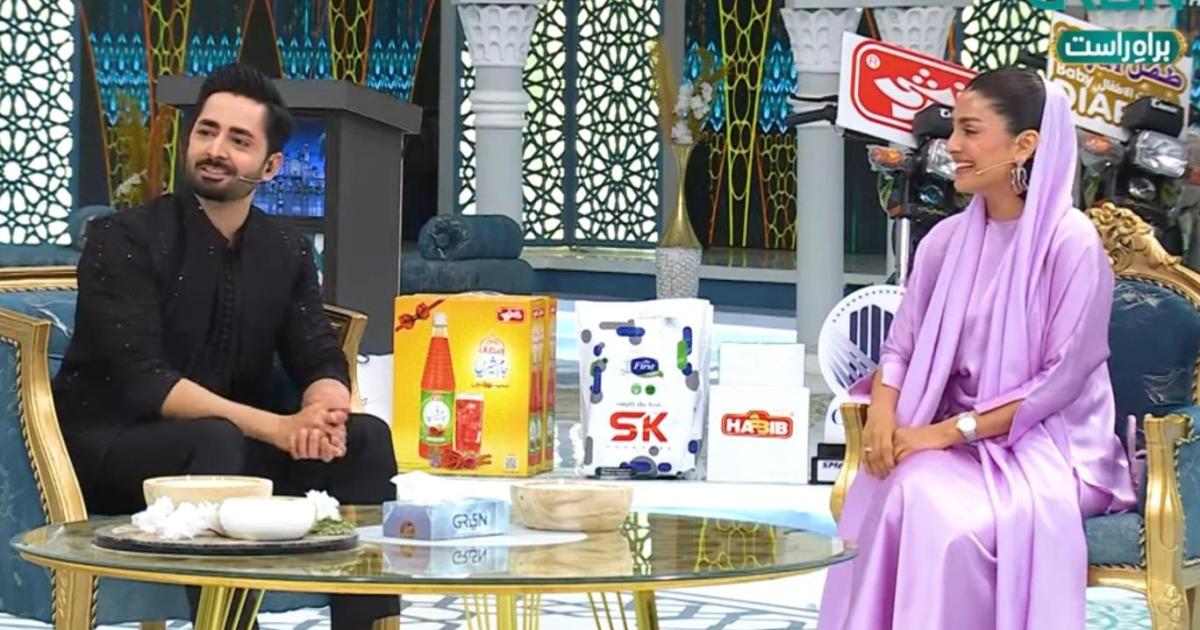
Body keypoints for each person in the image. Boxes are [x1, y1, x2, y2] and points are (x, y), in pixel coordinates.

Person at [52, 64, 400, 629]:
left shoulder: (285, 250)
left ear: (270, 166)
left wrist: (325, 411)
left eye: (239, 141)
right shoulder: (123, 239)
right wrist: (278, 428)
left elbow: (317, 351)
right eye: (207, 131)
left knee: (366, 440)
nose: (216, 150)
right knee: (215, 442)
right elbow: (145, 382)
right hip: (114, 450)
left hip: (232, 453)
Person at [818, 68, 1137, 630]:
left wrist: (945, 433)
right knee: (905, 490)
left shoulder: (1072, 244)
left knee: (941, 519)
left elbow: (1058, 382)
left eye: (970, 131)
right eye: (954, 130)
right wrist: (884, 418)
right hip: (949, 440)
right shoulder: (943, 242)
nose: (952, 146)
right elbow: (900, 349)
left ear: (1024, 145)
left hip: (1047, 448)